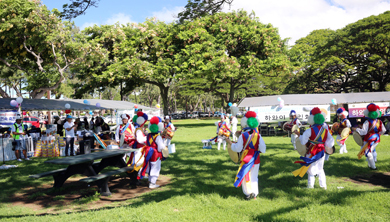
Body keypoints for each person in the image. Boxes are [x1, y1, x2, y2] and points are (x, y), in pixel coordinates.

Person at [226, 111, 266, 200]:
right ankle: (255, 193)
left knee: (245, 175)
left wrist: (229, 142)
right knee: (254, 176)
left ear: (244, 124)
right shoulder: (258, 135)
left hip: (246, 158)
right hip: (256, 158)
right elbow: (263, 149)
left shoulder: (243, 136)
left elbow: (237, 149)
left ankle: (248, 194)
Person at [293, 107, 334, 189]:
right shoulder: (325, 131)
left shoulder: (309, 130)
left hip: (311, 151)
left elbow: (303, 142)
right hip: (321, 151)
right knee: (320, 168)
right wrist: (325, 145)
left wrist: (299, 135)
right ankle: (323, 186)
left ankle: (310, 186)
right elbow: (331, 141)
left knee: (311, 169)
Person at [353, 103, 386, 170]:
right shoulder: (380, 121)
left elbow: (364, 132)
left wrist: (356, 129)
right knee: (369, 151)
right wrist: (378, 134)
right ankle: (370, 165)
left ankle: (373, 167)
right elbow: (383, 130)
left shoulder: (367, 122)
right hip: (376, 139)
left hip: (368, 139)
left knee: (368, 152)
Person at [139, 116, 165, 189]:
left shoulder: (148, 135)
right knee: (156, 167)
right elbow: (160, 147)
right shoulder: (158, 137)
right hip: (155, 153)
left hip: (148, 152)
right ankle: (152, 183)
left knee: (150, 166)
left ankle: (150, 180)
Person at [127, 111, 149, 188]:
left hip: (140, 148)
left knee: (139, 163)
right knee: (137, 163)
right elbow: (140, 140)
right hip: (139, 149)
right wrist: (147, 139)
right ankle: (135, 179)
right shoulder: (139, 129)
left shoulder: (139, 129)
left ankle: (137, 177)